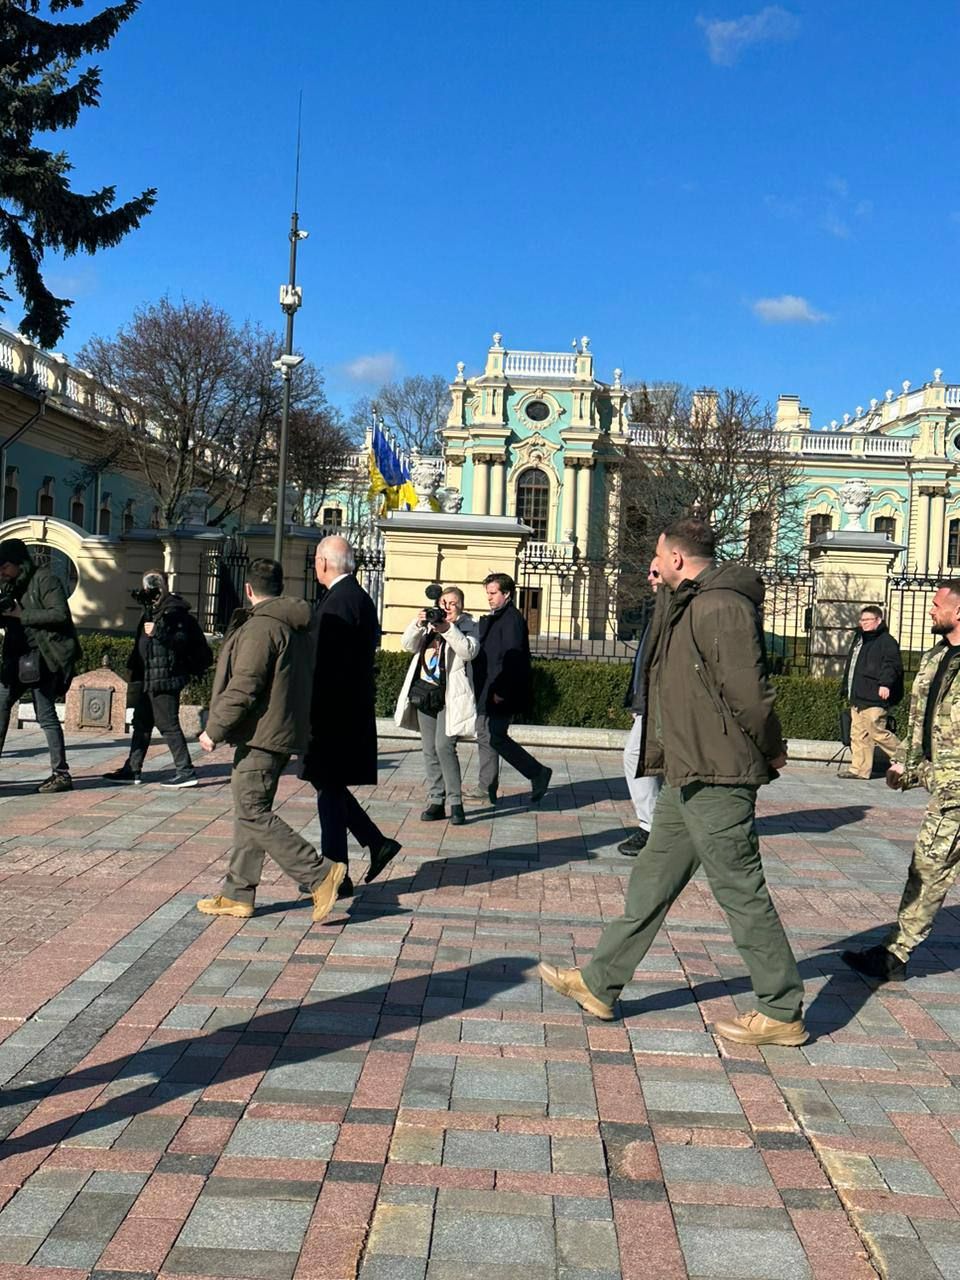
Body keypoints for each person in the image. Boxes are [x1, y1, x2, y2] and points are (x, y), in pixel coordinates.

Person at [539, 518, 808, 1047]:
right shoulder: (688, 602)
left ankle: (781, 1008)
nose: (653, 564)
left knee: (740, 890)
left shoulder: (721, 606)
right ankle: (600, 981)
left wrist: (771, 748)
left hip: (717, 772)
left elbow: (750, 692)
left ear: (679, 558)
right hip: (686, 770)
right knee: (652, 880)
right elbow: (663, 663)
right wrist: (664, 591)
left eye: (659, 556)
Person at [194, 558, 345, 921]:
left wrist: (215, 728)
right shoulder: (293, 624)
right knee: (250, 812)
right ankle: (237, 894)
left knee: (253, 811)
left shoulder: (262, 627)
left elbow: (245, 684)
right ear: (280, 587)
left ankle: (319, 874)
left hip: (261, 734)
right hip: (278, 731)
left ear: (248, 589)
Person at [843, 582, 960, 982]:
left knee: (928, 868)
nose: (930, 610)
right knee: (928, 867)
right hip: (944, 785)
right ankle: (895, 953)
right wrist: (906, 766)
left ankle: (895, 954)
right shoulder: (934, 658)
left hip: (955, 791)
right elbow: (920, 722)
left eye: (937, 604)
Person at [300, 535, 401, 896]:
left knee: (328, 789)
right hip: (342, 711)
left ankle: (337, 875)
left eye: (316, 559)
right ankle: (373, 844)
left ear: (325, 563)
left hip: (333, 715)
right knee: (328, 787)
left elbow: (326, 666)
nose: (315, 565)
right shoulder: (351, 596)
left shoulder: (340, 601)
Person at [103, 570, 212, 788]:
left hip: (164, 678)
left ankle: (186, 771)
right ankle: (132, 769)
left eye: (152, 586)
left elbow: (180, 641)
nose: (148, 591)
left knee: (168, 725)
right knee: (141, 723)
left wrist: (158, 632)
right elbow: (142, 644)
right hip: (148, 678)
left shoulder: (174, 612)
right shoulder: (150, 610)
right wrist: (134, 669)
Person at [0, 538, 81, 793]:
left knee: (45, 715)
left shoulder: (45, 580)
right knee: (0, 706)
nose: (2, 572)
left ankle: (61, 774)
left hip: (44, 657)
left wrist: (21, 614)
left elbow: (60, 614)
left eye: (5, 567)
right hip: (16, 658)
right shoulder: (9, 585)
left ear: (19, 563)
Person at [395, 585, 479, 825]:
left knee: (444, 747)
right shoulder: (429, 627)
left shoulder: (469, 626)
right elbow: (407, 645)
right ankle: (436, 800)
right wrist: (418, 623)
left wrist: (448, 629)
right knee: (429, 749)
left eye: (453, 603)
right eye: (444, 603)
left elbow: (468, 651)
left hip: (450, 697)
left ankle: (456, 803)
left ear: (461, 606)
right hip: (426, 694)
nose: (447, 607)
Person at [469, 572, 551, 806]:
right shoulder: (497, 617)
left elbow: (513, 659)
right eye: (488, 593)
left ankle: (537, 772)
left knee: (495, 736)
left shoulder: (512, 619)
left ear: (507, 594)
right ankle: (488, 787)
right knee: (487, 735)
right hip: (489, 688)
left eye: (493, 593)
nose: (489, 597)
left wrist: (502, 691)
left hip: (500, 691)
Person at [619, 559, 663, 855]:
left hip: (661, 704)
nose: (649, 577)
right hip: (649, 703)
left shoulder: (674, 609)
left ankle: (652, 827)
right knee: (644, 759)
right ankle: (659, 825)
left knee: (636, 757)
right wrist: (636, 698)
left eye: (655, 572)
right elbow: (644, 662)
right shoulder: (659, 608)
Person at [838, 604, 903, 780]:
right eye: (862, 620)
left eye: (868, 620)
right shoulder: (860, 639)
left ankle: (908, 759)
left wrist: (885, 684)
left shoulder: (886, 641)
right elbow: (852, 666)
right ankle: (859, 770)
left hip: (875, 696)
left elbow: (892, 665)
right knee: (858, 734)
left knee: (877, 731)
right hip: (858, 694)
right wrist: (847, 689)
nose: (864, 623)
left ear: (878, 620)